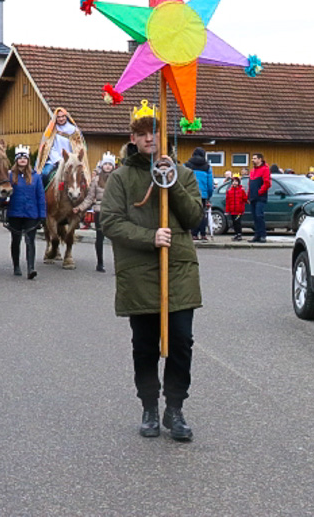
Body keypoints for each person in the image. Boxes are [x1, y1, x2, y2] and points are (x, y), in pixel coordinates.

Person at [101, 104, 204, 441]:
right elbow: (111, 221)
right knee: (145, 345)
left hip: (178, 272)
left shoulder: (184, 174)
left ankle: (175, 408)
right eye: (142, 133)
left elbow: (194, 218)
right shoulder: (120, 178)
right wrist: (150, 237)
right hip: (139, 273)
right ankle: (149, 406)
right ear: (133, 138)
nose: (149, 138)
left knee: (181, 342)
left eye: (154, 132)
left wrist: (170, 181)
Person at [6, 145, 46, 280]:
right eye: (20, 158)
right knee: (15, 240)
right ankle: (16, 266)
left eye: (25, 158)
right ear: (16, 160)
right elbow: (4, 195)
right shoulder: (10, 176)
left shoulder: (36, 177)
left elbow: (40, 196)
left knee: (30, 241)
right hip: (15, 213)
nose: (22, 160)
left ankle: (30, 268)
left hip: (31, 214)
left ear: (28, 160)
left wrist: (42, 216)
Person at [74, 152, 116, 272]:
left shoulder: (117, 179)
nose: (108, 166)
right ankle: (100, 263)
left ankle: (117, 263)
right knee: (100, 237)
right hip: (99, 211)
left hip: (114, 211)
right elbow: (89, 198)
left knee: (115, 238)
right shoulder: (96, 180)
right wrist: (80, 207)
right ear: (102, 165)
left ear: (113, 166)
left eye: (110, 164)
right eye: (106, 164)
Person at [35, 107, 88, 187]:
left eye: (63, 116)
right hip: (55, 161)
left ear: (66, 117)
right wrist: (58, 159)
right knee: (44, 174)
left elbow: (78, 146)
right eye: (58, 117)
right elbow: (49, 147)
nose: (61, 119)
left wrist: (71, 158)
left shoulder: (74, 130)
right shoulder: (52, 130)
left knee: (82, 177)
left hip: (71, 160)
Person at [184, 147, 214, 241]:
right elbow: (210, 183)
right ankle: (203, 234)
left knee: (192, 214)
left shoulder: (186, 165)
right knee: (202, 214)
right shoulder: (207, 167)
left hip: (190, 193)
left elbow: (183, 179)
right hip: (203, 194)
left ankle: (193, 234)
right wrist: (209, 195)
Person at [248, 153, 271, 243]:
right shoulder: (253, 170)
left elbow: (267, 183)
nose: (253, 160)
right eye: (252, 158)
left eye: (255, 158)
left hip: (260, 197)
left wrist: (260, 192)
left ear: (260, 159)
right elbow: (250, 184)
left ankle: (263, 235)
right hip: (253, 196)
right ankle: (257, 235)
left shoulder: (265, 169)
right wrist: (248, 195)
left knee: (259, 215)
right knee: (254, 216)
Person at [225, 175, 248, 241]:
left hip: (239, 210)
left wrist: (247, 200)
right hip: (232, 210)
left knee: (238, 222)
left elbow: (244, 198)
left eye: (236, 181)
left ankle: (239, 234)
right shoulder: (229, 191)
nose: (234, 183)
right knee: (234, 222)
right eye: (233, 181)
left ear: (238, 182)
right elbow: (228, 201)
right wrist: (227, 210)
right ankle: (236, 233)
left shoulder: (241, 190)